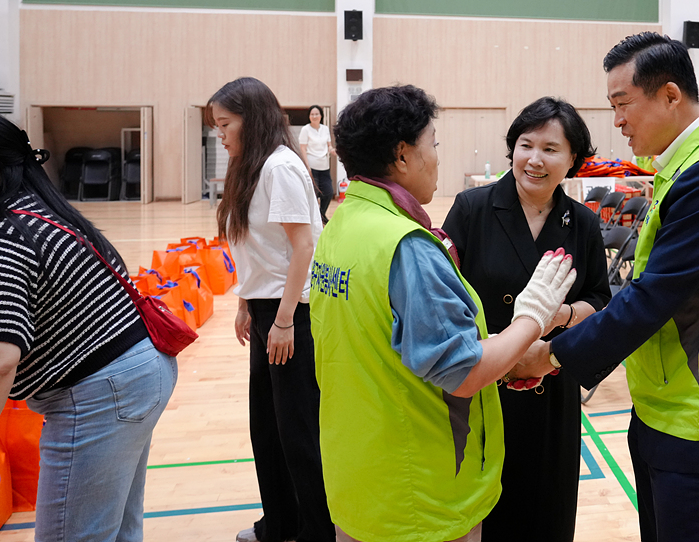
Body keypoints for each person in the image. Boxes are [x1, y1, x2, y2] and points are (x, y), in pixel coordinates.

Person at [513, 33, 699, 542]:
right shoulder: (684, 166)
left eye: (622, 104)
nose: (616, 121)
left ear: (671, 96)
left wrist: (550, 356)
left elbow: (654, 297)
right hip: (669, 405)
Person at [310, 85, 577, 542]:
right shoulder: (407, 247)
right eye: (432, 144)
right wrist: (532, 317)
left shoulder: (341, 227)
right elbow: (464, 372)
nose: (437, 157)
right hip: (419, 494)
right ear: (402, 155)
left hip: (359, 476)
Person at [0, 113, 178, 541]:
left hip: (102, 392)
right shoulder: (43, 212)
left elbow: (2, 360)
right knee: (113, 531)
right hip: (136, 373)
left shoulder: (6, 233)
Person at [443, 97, 611, 542]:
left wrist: (564, 314)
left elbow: (600, 299)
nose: (535, 160)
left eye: (551, 149)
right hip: (482, 384)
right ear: (511, 149)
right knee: (486, 508)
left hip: (550, 384)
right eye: (525, 145)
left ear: (573, 159)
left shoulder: (584, 224)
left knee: (546, 508)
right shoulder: (471, 209)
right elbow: (444, 296)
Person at [207, 78, 335, 542]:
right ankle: (279, 521)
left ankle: (315, 530)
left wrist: (282, 321)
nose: (219, 134)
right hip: (266, 310)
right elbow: (258, 245)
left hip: (291, 314)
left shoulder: (280, 167)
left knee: (298, 432)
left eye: (225, 124)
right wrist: (245, 300)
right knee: (267, 427)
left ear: (252, 118)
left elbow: (303, 247)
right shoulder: (251, 166)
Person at [299, 104, 336, 224]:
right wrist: (307, 166)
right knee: (314, 193)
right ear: (309, 116)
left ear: (321, 116)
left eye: (316, 114)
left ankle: (321, 214)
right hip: (312, 166)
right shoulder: (305, 129)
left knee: (328, 192)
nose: (314, 116)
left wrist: (334, 151)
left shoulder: (325, 129)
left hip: (324, 166)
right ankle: (313, 218)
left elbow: (329, 146)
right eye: (312, 114)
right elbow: (303, 148)